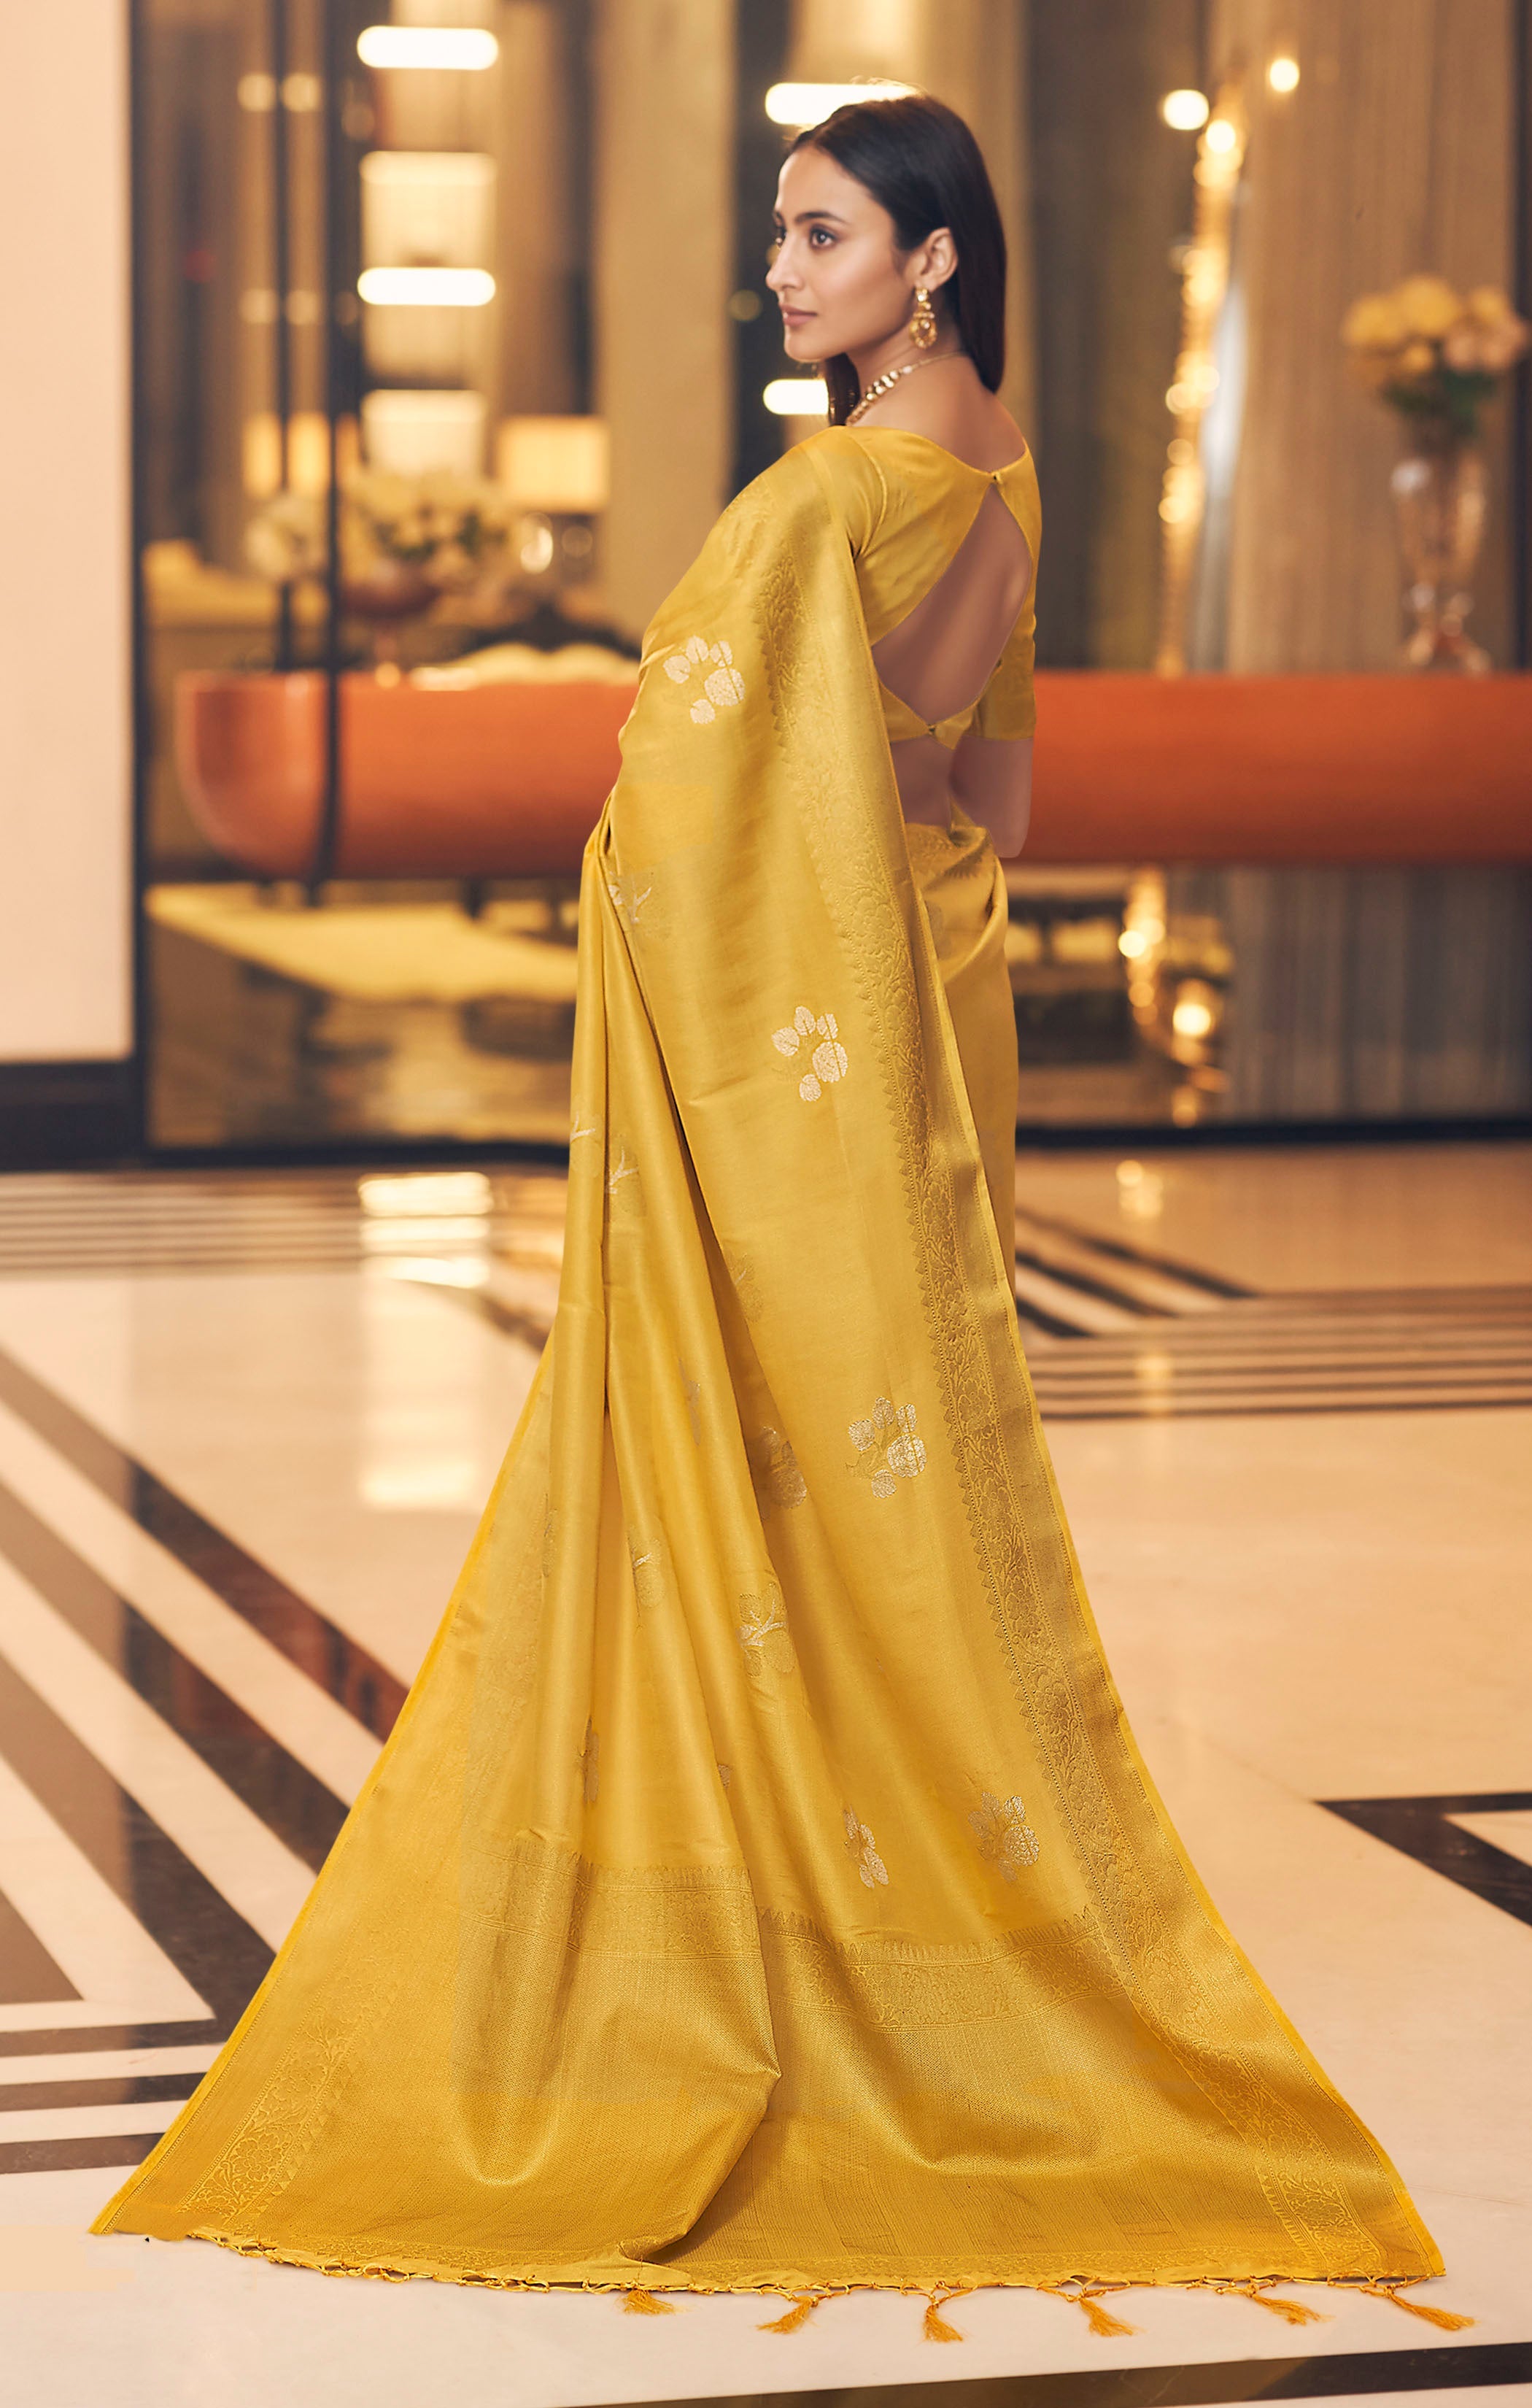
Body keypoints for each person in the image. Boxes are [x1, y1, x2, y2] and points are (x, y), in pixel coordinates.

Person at [95, 94, 1456, 2336]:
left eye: (823, 234)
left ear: (931, 255)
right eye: (781, 234)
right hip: (923, 989)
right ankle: (912, 1892)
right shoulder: (1000, 469)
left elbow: (679, 776)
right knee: (883, 1457)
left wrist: (674, 900)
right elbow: (997, 791)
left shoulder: (829, 493)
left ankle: (784, 1930)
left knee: (767, 1454)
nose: (784, 269)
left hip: (804, 1031)